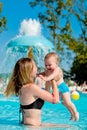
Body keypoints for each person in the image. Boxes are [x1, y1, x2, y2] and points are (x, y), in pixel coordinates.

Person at [4, 57, 59, 126]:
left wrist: (47, 79)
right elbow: (55, 100)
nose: (37, 68)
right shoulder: (32, 87)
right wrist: (53, 79)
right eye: (35, 66)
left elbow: (46, 94)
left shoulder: (21, 87)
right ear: (29, 70)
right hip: (33, 127)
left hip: (28, 125)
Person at [38, 52, 79, 121]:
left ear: (56, 63)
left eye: (50, 65)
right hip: (58, 90)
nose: (47, 67)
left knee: (68, 102)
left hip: (63, 88)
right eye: (46, 65)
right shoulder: (47, 70)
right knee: (64, 103)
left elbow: (53, 75)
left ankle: (75, 113)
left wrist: (46, 78)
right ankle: (71, 114)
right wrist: (38, 74)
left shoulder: (57, 69)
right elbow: (44, 73)